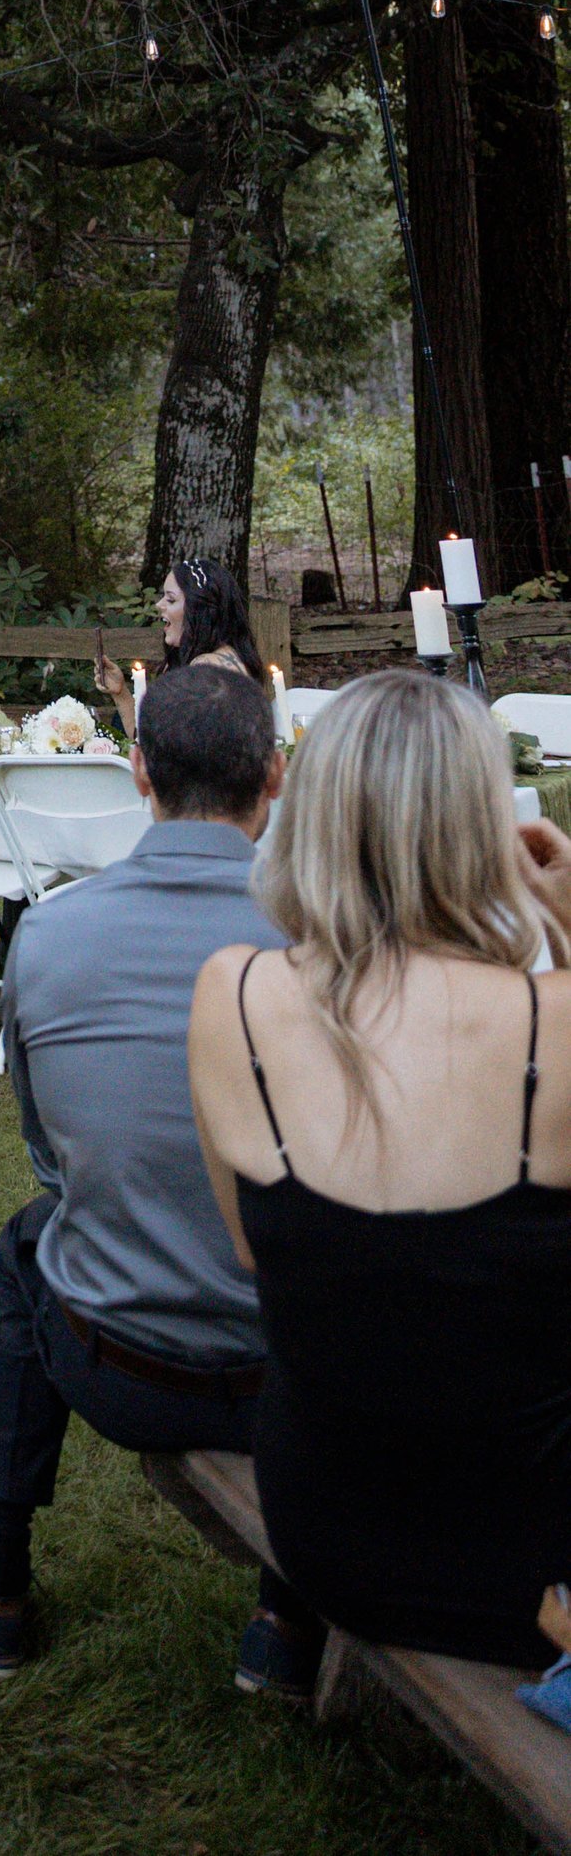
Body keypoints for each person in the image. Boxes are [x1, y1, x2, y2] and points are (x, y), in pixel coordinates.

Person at [188, 669, 571, 1673]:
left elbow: (248, 1250)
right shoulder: (556, 1024)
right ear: (484, 825)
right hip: (539, 1565)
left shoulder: (233, 997)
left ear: (308, 813)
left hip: (333, 1546)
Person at [0, 667, 318, 1692]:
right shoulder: (324, 942)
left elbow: (46, 1152)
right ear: (275, 778)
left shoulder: (51, 932)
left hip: (115, 1362)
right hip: (292, 1379)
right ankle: (286, 1619)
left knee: (28, 1243)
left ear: (138, 771)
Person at [95, 555, 265, 735]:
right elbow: (149, 741)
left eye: (171, 600)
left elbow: (174, 750)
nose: (159, 605)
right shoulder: (213, 657)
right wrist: (120, 693)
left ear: (199, 610)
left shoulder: (207, 668)